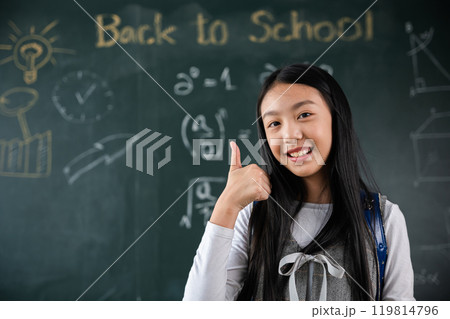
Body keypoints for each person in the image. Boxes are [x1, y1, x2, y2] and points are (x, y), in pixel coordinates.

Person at [182, 64, 414, 301]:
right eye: (274, 124)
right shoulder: (251, 216)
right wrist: (227, 205)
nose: (290, 135)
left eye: (304, 115)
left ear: (336, 119)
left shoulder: (384, 221)